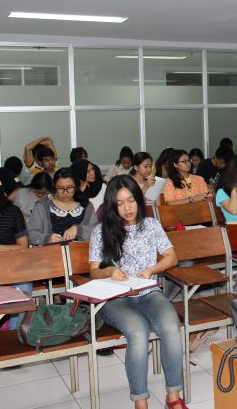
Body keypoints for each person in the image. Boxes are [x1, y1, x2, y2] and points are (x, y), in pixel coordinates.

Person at [89, 175, 187, 409]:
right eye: (120, 203)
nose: (127, 208)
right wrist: (109, 271)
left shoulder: (151, 225)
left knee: (171, 328)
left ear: (139, 199)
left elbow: (172, 257)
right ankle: (140, 402)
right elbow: (93, 271)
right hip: (115, 298)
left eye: (131, 200)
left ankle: (173, 397)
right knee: (138, 332)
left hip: (148, 292)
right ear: (112, 206)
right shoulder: (101, 231)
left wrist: (152, 269)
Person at [27, 168, 97, 245]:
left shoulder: (86, 206)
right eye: (60, 188)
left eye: (69, 188)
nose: (65, 192)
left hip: (81, 251)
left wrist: (79, 230)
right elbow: (31, 234)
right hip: (52, 251)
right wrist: (47, 239)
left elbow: (97, 233)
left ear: (76, 187)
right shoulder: (43, 206)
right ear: (54, 187)